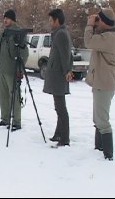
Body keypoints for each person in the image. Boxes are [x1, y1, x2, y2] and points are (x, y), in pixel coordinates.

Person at [84, 7, 115, 161]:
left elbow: (88, 41)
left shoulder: (110, 38)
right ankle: (99, 148)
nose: (96, 22)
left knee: (102, 121)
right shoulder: (107, 35)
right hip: (101, 82)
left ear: (104, 22)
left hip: (104, 84)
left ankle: (108, 155)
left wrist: (89, 25)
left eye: (99, 20)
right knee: (97, 118)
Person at [0, 9, 29, 131]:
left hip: (12, 70)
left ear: (13, 19)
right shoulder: (4, 33)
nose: (5, 20)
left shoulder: (18, 33)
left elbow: (25, 53)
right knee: (3, 96)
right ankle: (5, 118)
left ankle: (17, 121)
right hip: (2, 69)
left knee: (14, 96)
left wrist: (19, 69)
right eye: (4, 18)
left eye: (7, 18)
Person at [43, 8, 73, 147]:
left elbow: (65, 54)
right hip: (56, 74)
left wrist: (67, 71)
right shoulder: (58, 33)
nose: (49, 23)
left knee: (61, 108)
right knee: (58, 107)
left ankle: (64, 138)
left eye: (51, 20)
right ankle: (58, 133)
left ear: (57, 20)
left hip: (59, 76)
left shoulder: (61, 34)